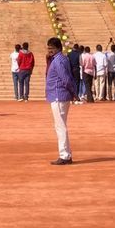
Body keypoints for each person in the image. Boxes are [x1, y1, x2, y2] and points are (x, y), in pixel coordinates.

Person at [45, 35, 76, 165]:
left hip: (58, 95)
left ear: (58, 48)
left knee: (60, 126)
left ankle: (64, 155)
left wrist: (74, 91)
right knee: (60, 125)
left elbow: (66, 78)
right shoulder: (61, 59)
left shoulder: (58, 61)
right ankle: (66, 153)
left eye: (51, 48)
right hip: (59, 95)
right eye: (48, 48)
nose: (49, 50)